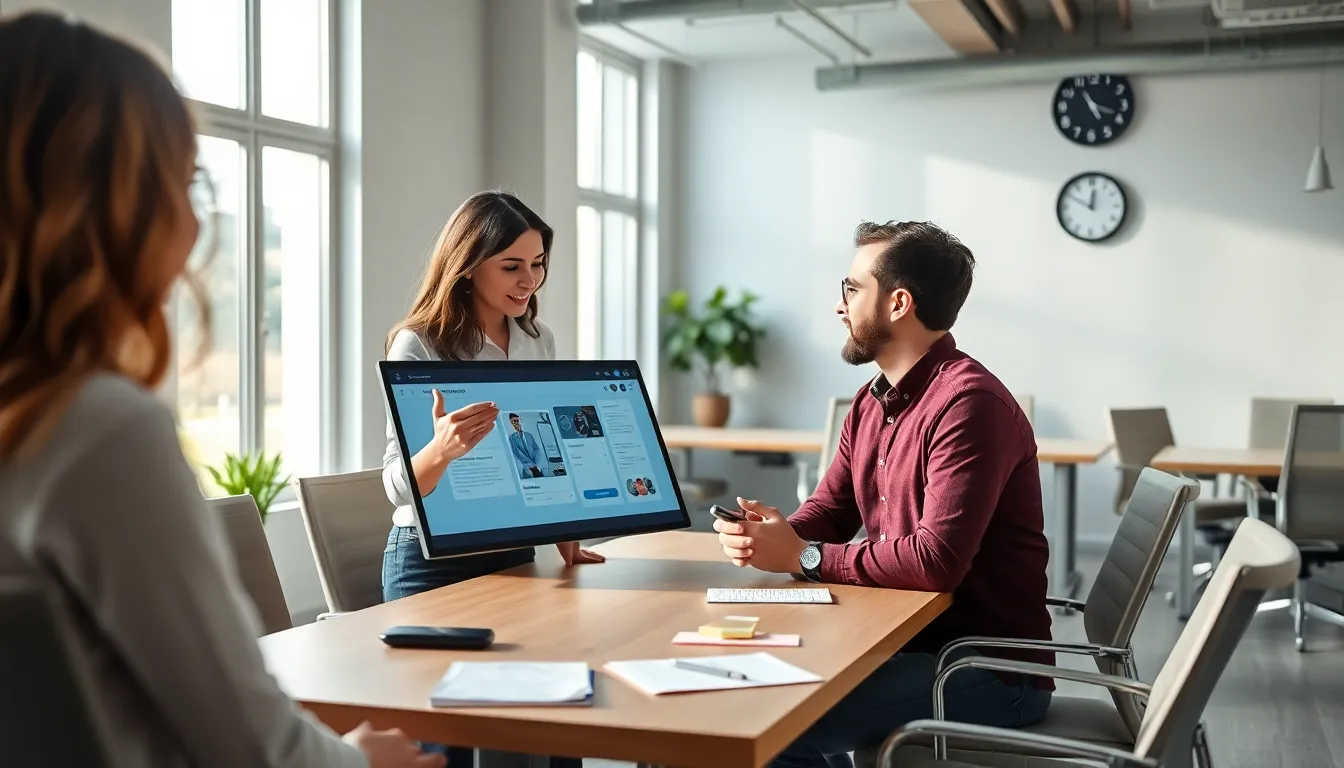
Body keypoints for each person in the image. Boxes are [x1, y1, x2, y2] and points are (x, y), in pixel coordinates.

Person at [0, 12, 442, 768]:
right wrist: (364, 761)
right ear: (116, 207)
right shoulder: (97, 432)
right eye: (181, 180)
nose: (192, 217)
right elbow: (255, 749)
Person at [713, 221, 1053, 767]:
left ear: (898, 303)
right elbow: (832, 508)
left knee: (769, 719)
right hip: (912, 645)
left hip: (983, 669)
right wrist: (780, 533)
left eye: (852, 288)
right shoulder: (873, 401)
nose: (839, 306)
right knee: (749, 689)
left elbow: (934, 562)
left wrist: (801, 556)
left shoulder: (969, 405)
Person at [381, 193, 606, 592]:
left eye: (538, 264)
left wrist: (565, 523)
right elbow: (397, 490)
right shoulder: (418, 344)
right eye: (511, 266)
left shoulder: (538, 339)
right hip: (431, 561)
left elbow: (544, 439)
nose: (530, 280)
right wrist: (441, 449)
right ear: (467, 267)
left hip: (513, 547)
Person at [508, 413, 545, 478]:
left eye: (517, 420)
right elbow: (516, 453)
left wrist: (538, 465)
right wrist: (528, 465)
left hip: (537, 466)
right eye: (513, 422)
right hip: (527, 468)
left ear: (520, 421)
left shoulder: (529, 435)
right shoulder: (511, 438)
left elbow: (537, 449)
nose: (515, 423)